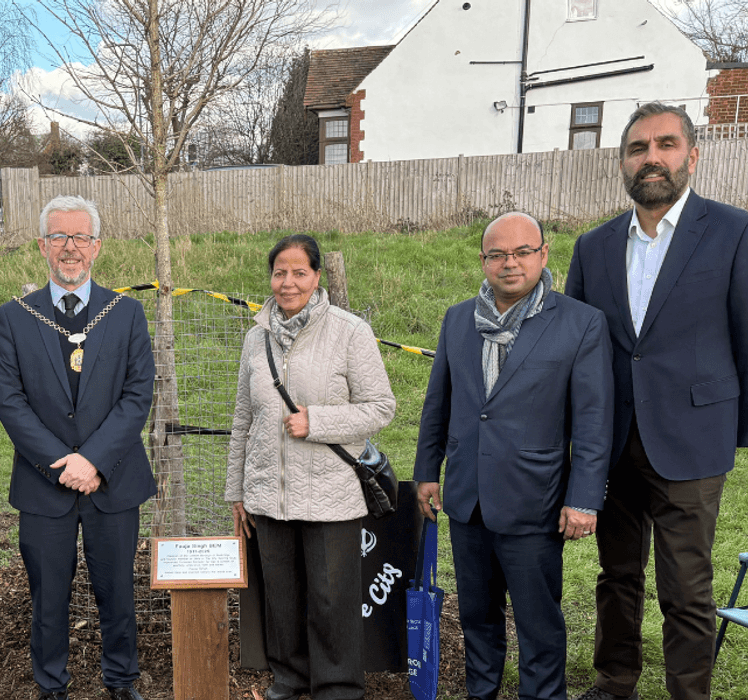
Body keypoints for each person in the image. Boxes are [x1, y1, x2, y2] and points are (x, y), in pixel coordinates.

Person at [565, 102, 748, 700]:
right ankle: (615, 682)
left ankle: (686, 693)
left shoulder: (732, 231)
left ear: (692, 156)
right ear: (622, 162)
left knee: (687, 588)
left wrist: (733, 433)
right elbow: (576, 351)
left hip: (694, 439)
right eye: (638, 148)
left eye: (666, 145)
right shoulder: (593, 248)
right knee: (617, 576)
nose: (652, 158)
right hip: (613, 442)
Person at [415, 213, 614, 700]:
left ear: (543, 255)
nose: (510, 263)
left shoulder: (580, 323)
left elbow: (593, 419)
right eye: (498, 254)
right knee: (478, 621)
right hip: (468, 500)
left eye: (522, 252)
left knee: (538, 628)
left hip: (535, 501)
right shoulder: (459, 318)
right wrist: (427, 471)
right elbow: (438, 401)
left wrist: (584, 499)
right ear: (483, 261)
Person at [0, 195, 156, 700]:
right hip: (45, 486)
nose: (70, 248)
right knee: (47, 599)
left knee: (118, 594)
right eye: (59, 237)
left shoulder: (126, 313)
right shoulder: (15, 317)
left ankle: (122, 681)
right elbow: (9, 399)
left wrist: (94, 461)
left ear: (97, 247)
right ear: (42, 246)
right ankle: (51, 685)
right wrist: (62, 465)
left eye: (80, 237)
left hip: (114, 481)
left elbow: (137, 394)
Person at [224, 234, 395, 700]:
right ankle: (290, 678)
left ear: (317, 277)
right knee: (281, 598)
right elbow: (243, 419)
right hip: (269, 494)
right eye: (280, 272)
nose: (288, 282)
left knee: (330, 600)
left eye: (300, 272)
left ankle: (337, 687)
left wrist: (316, 421)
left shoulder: (349, 331)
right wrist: (236, 491)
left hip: (331, 496)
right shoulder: (255, 339)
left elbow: (381, 407)